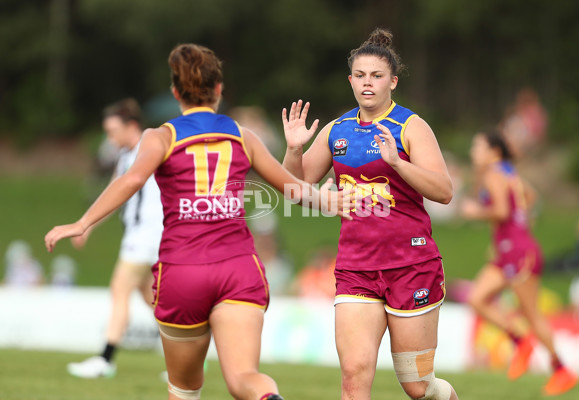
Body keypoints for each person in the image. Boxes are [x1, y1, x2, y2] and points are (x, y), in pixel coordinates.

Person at [45, 43, 350, 400]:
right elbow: (293, 189)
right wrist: (329, 199)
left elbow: (129, 180)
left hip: (182, 270)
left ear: (176, 92)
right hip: (238, 268)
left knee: (184, 388)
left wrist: (82, 223)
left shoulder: (160, 136)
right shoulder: (243, 135)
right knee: (245, 379)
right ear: (219, 89)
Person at [282, 28, 458, 400]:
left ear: (392, 81)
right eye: (360, 76)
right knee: (354, 376)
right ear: (350, 80)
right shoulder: (337, 130)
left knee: (418, 387)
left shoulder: (411, 127)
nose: (367, 83)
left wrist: (397, 161)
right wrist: (295, 150)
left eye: (376, 76)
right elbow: (294, 189)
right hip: (356, 267)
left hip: (411, 265)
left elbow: (444, 191)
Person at [460, 130, 578, 396]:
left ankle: (562, 370)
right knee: (476, 298)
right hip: (508, 252)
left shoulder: (494, 174)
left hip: (519, 253)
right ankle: (520, 340)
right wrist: (517, 226)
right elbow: (530, 198)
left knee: (532, 314)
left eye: (477, 146)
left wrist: (474, 212)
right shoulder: (505, 173)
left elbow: (501, 211)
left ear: (494, 152)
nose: (473, 151)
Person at [65, 99, 163, 379]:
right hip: (141, 235)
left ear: (131, 126)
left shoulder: (149, 148)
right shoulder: (126, 155)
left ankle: (105, 359)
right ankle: (190, 353)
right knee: (153, 300)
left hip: (147, 235)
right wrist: (88, 225)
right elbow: (113, 193)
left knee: (120, 289)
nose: (110, 138)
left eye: (113, 131)